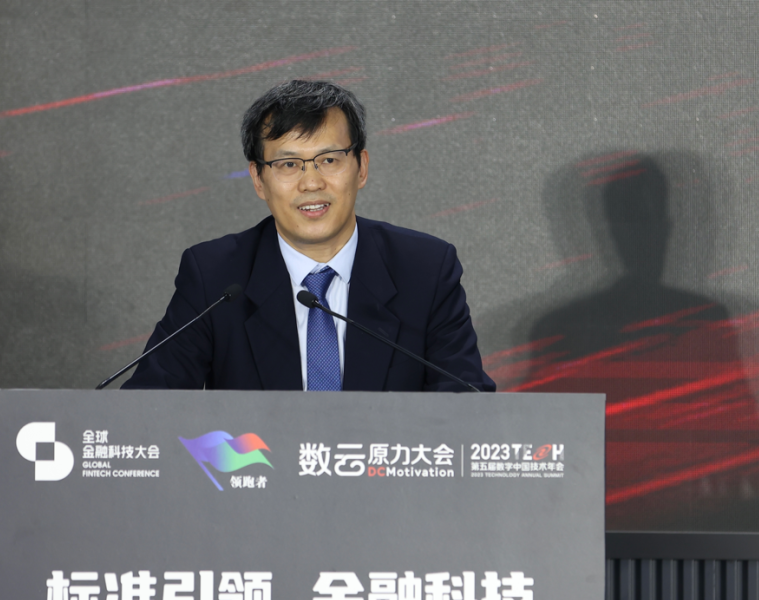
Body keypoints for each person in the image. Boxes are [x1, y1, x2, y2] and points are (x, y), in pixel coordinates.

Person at [122, 80, 495, 392]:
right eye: (288, 164)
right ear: (258, 180)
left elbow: (467, 404)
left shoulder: (425, 270)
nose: (312, 183)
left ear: (361, 168)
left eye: (329, 160)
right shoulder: (215, 277)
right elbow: (149, 407)